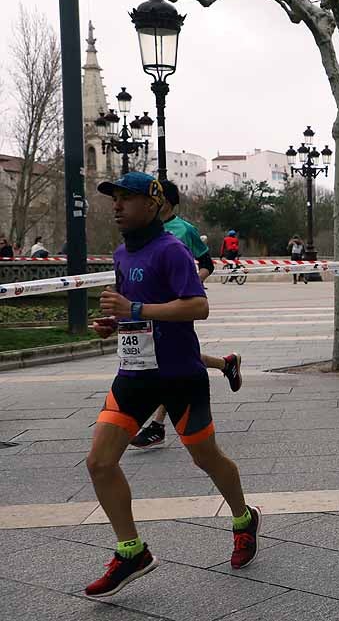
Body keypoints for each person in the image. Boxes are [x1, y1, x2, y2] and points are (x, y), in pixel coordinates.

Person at [85, 172, 260, 598]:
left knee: (207, 459)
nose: (117, 206)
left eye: (126, 198)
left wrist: (136, 306)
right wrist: (117, 322)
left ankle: (243, 517)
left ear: (152, 203)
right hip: (134, 374)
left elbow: (199, 306)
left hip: (179, 376)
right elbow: (136, 313)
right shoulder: (123, 253)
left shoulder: (172, 250)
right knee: (99, 463)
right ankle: (132, 551)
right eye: (115, 199)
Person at [130, 180, 243, 449]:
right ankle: (226, 364)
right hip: (149, 306)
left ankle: (157, 426)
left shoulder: (184, 229)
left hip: (176, 306)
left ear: (163, 202)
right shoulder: (143, 231)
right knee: (174, 357)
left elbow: (206, 263)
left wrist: (192, 282)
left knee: (165, 359)